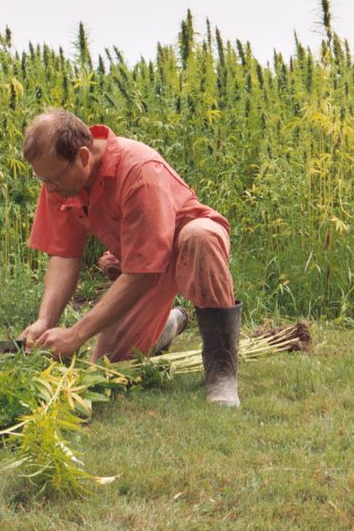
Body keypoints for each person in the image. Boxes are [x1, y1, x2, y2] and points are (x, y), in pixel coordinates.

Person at [18, 109, 243, 406]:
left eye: (54, 179)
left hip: (184, 248)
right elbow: (63, 255)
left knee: (200, 236)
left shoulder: (138, 170)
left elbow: (143, 272)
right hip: (144, 263)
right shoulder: (60, 181)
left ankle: (222, 372)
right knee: (108, 366)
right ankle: (165, 326)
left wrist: (76, 334)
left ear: (83, 157)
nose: (49, 189)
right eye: (42, 179)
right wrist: (44, 321)